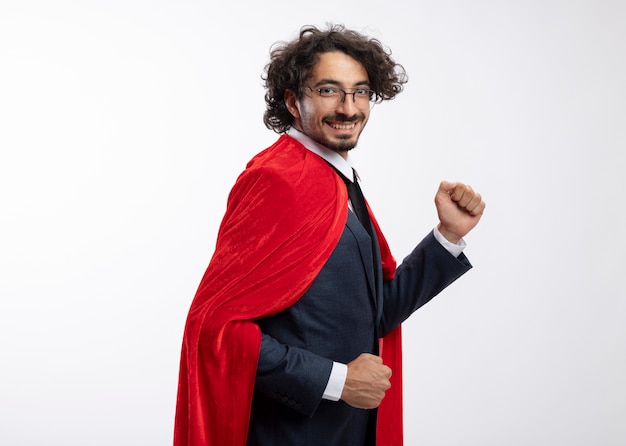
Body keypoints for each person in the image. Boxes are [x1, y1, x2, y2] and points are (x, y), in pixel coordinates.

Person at [174, 24, 485, 446]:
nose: (348, 107)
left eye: (360, 92)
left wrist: (448, 236)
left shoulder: (336, 178)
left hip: (346, 430)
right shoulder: (277, 178)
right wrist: (337, 381)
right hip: (290, 433)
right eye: (328, 90)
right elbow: (214, 328)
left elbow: (374, 313)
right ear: (292, 100)